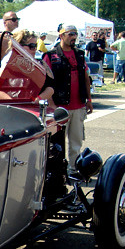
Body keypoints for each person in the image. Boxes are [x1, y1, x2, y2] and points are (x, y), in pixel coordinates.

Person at [43, 25, 93, 174]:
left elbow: (85, 77)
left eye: (76, 34)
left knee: (76, 141)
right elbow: (46, 82)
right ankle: (56, 172)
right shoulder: (51, 55)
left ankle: (73, 169)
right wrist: (51, 105)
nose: (74, 37)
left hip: (78, 105)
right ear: (61, 35)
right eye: (71, 34)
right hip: (59, 107)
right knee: (56, 143)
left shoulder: (80, 54)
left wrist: (89, 99)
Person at [14, 30, 54, 104]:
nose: (35, 49)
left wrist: (36, 100)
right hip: (14, 108)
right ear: (19, 46)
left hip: (35, 109)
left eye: (36, 46)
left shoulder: (41, 64)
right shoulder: (9, 64)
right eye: (32, 46)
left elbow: (50, 88)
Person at [0, 11, 19, 76]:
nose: (16, 21)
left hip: (15, 77)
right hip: (2, 76)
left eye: (17, 19)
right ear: (5, 23)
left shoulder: (18, 39)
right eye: (13, 19)